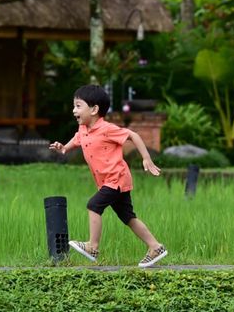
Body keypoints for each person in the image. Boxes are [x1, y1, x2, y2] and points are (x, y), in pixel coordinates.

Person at [49, 84, 167, 268]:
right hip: (108, 182)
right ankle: (155, 247)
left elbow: (133, 135)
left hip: (116, 179)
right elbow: (77, 139)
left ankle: (92, 247)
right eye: (74, 106)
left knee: (93, 205)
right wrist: (64, 147)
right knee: (128, 217)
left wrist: (146, 159)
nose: (74, 110)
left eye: (78, 106)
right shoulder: (84, 129)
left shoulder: (106, 129)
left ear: (94, 109)